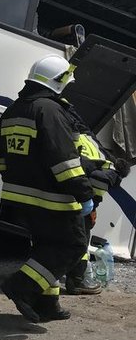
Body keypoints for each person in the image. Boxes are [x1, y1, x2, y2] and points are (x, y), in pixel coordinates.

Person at [0, 54, 95, 323]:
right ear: (58, 82)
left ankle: (47, 304)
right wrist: (85, 195)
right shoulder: (50, 111)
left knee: (46, 247)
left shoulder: (13, 110)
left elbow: (1, 158)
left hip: (21, 198)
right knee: (71, 246)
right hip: (52, 199)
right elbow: (65, 162)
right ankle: (21, 287)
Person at [60, 106, 129, 295]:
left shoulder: (71, 135)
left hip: (64, 194)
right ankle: (78, 281)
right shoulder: (106, 166)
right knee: (80, 240)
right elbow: (97, 181)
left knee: (56, 238)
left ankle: (60, 276)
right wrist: (91, 204)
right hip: (78, 197)